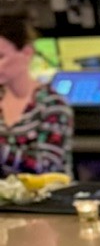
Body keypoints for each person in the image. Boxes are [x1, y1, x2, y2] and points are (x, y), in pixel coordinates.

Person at [0, 11, 72, 178]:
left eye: (1, 56)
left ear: (26, 53)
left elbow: (46, 165)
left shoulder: (52, 104)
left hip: (47, 201)